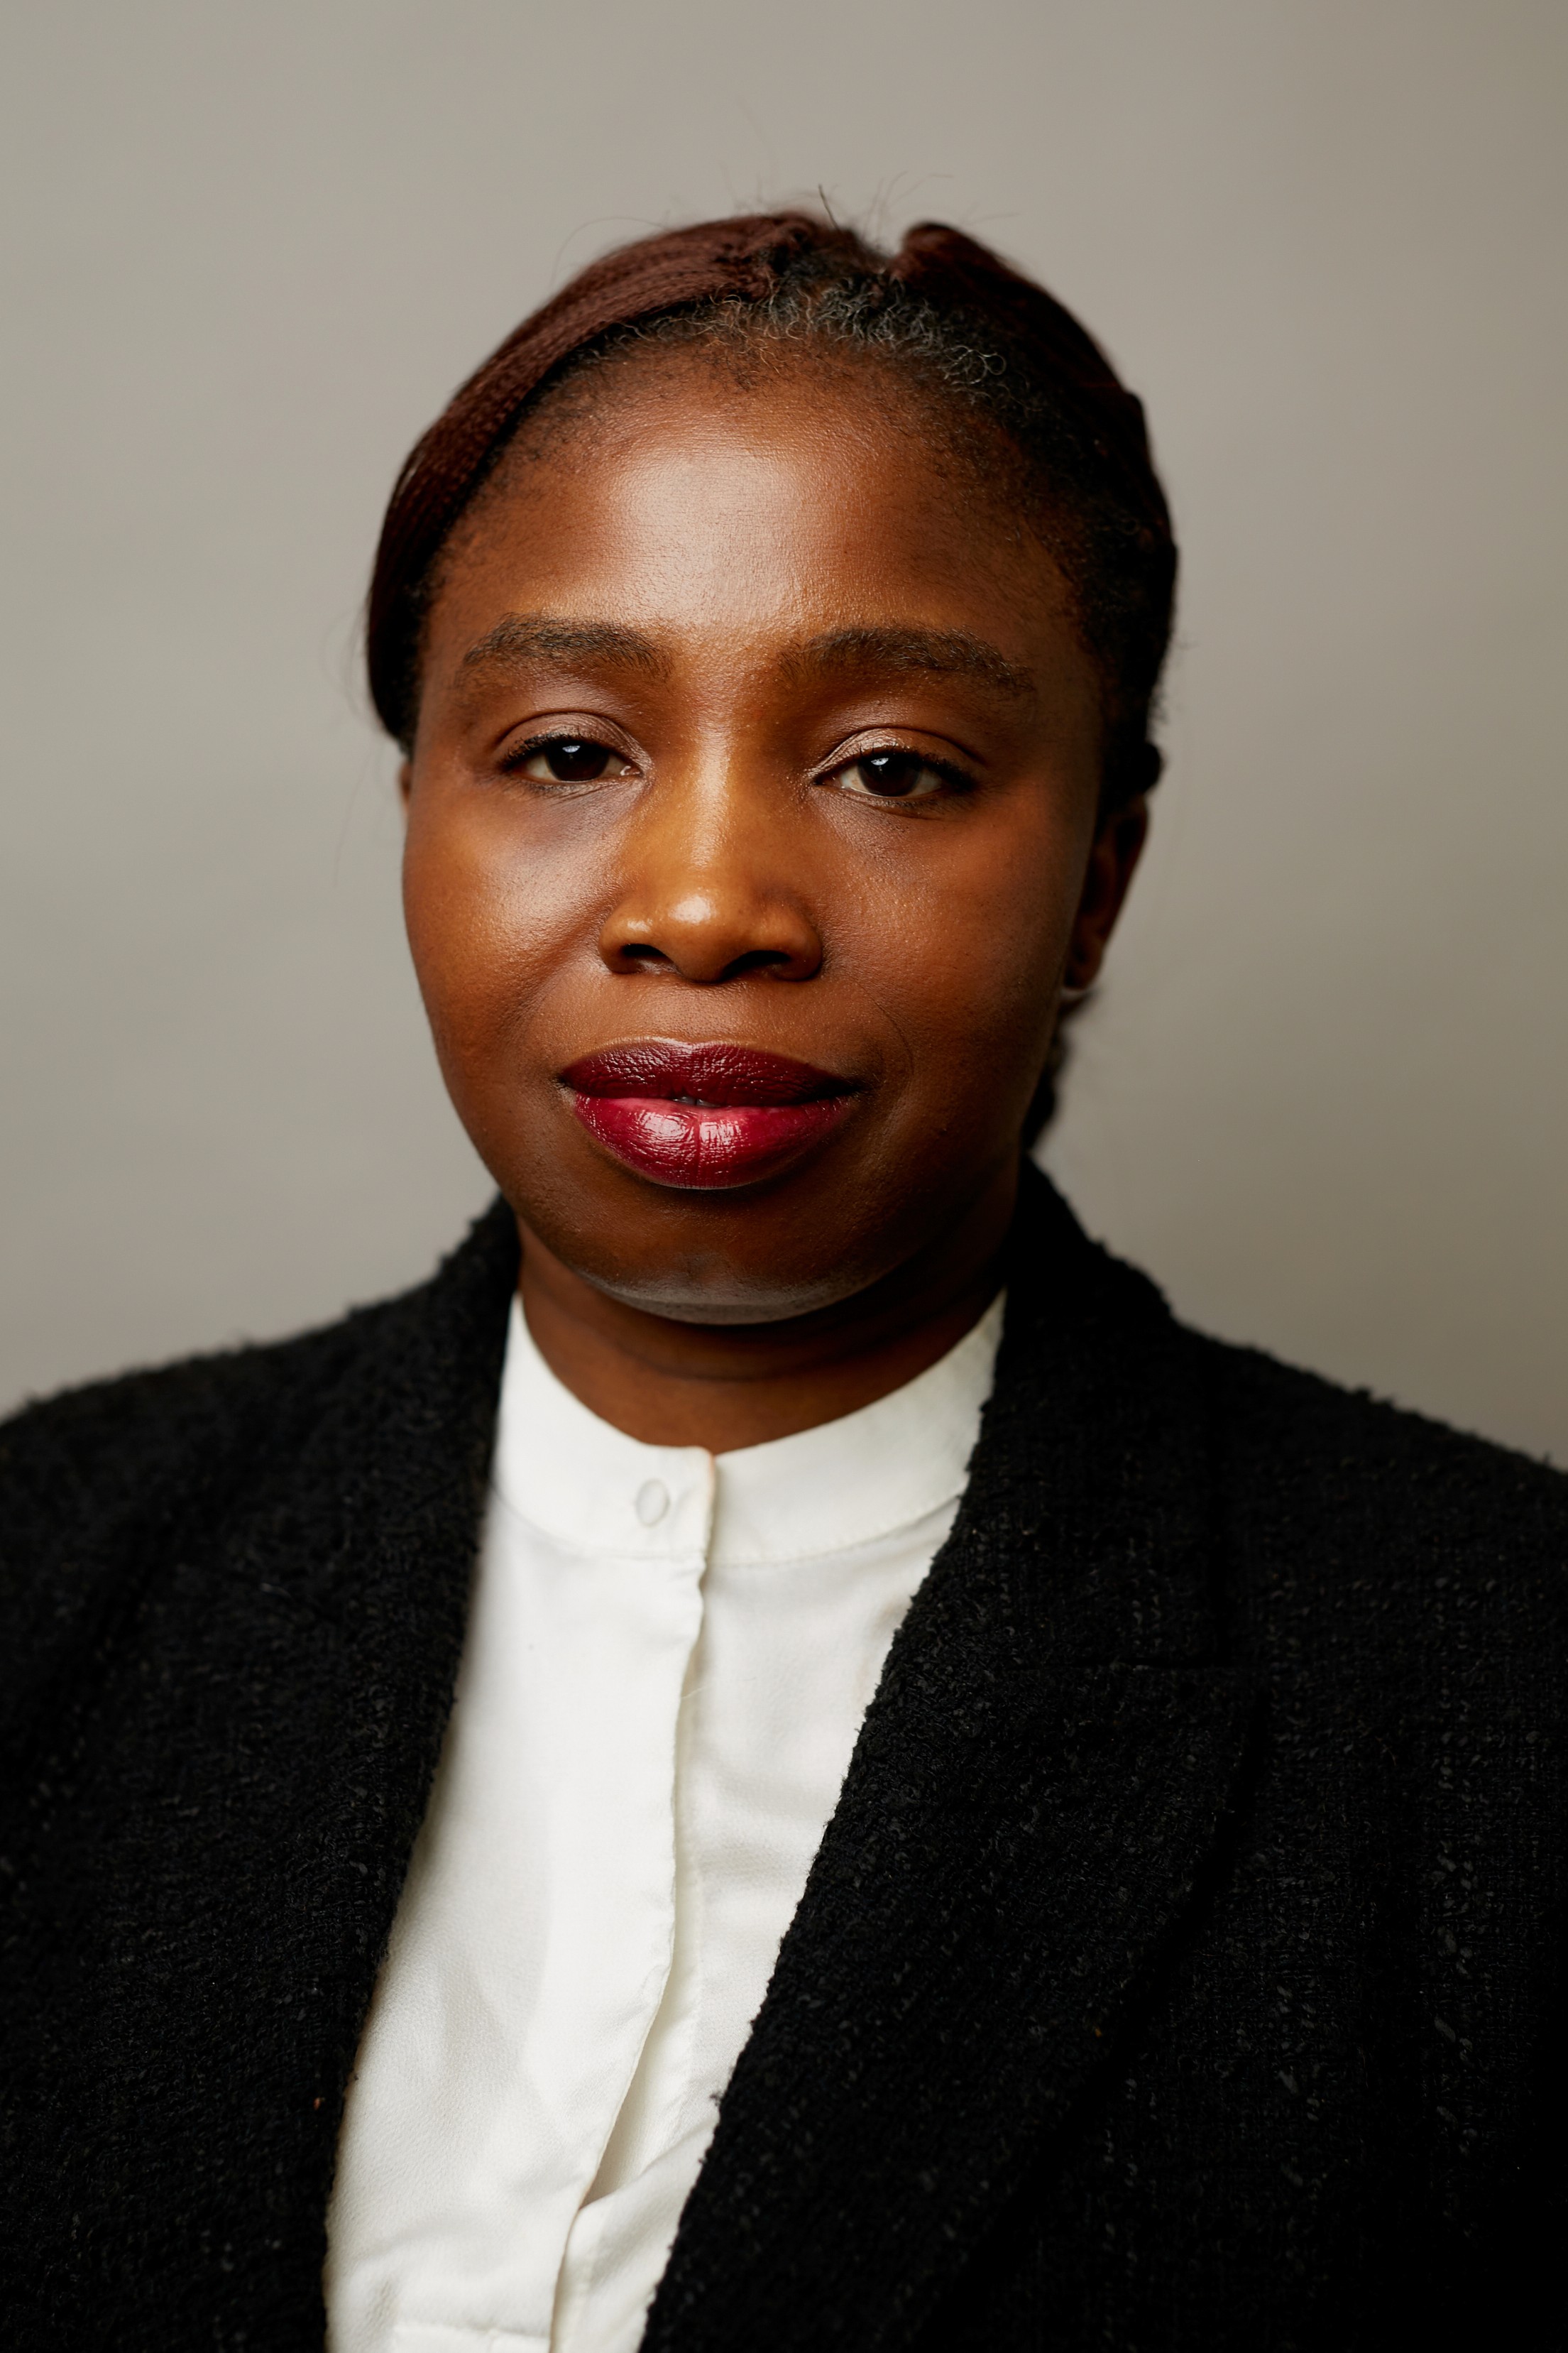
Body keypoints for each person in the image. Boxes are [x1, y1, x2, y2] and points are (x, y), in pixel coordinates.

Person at [1, 211, 1562, 2353]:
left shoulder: (1498, 1699)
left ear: (1097, 879)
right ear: (414, 814)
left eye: (892, 767)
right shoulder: (46, 1570)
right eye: (568, 751)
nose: (709, 902)